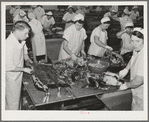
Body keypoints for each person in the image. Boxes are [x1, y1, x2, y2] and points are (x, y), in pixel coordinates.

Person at [6, 21, 33, 110]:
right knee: (12, 101)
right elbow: (8, 66)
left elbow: (24, 52)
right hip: (11, 77)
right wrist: (24, 69)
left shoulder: (21, 40)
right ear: (18, 31)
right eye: (26, 33)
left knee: (17, 99)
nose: (27, 36)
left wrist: (28, 60)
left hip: (18, 74)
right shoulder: (8, 44)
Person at [119, 27, 144, 111]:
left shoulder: (144, 56)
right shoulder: (137, 48)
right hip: (136, 90)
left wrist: (126, 85)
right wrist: (126, 69)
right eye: (132, 41)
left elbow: (138, 81)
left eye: (137, 41)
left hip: (143, 93)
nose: (134, 44)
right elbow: (133, 58)